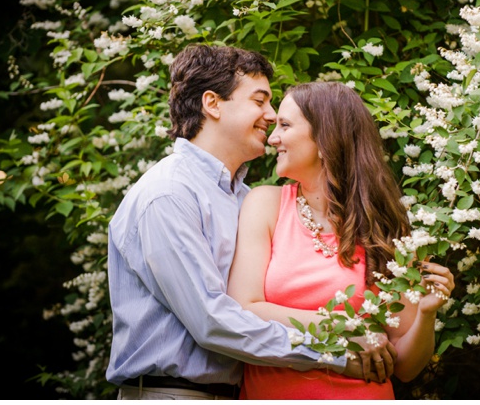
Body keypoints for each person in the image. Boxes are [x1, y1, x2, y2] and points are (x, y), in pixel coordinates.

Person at [105, 45, 393, 400]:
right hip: (174, 394)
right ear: (212, 104)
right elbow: (211, 321)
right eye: (260, 101)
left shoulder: (245, 199)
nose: (271, 115)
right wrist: (333, 349)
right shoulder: (168, 194)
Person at [228, 81, 456, 399]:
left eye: (285, 125)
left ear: (324, 140)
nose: (273, 137)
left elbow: (405, 366)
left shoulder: (385, 225)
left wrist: (427, 314)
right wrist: (346, 327)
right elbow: (243, 310)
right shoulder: (265, 205)